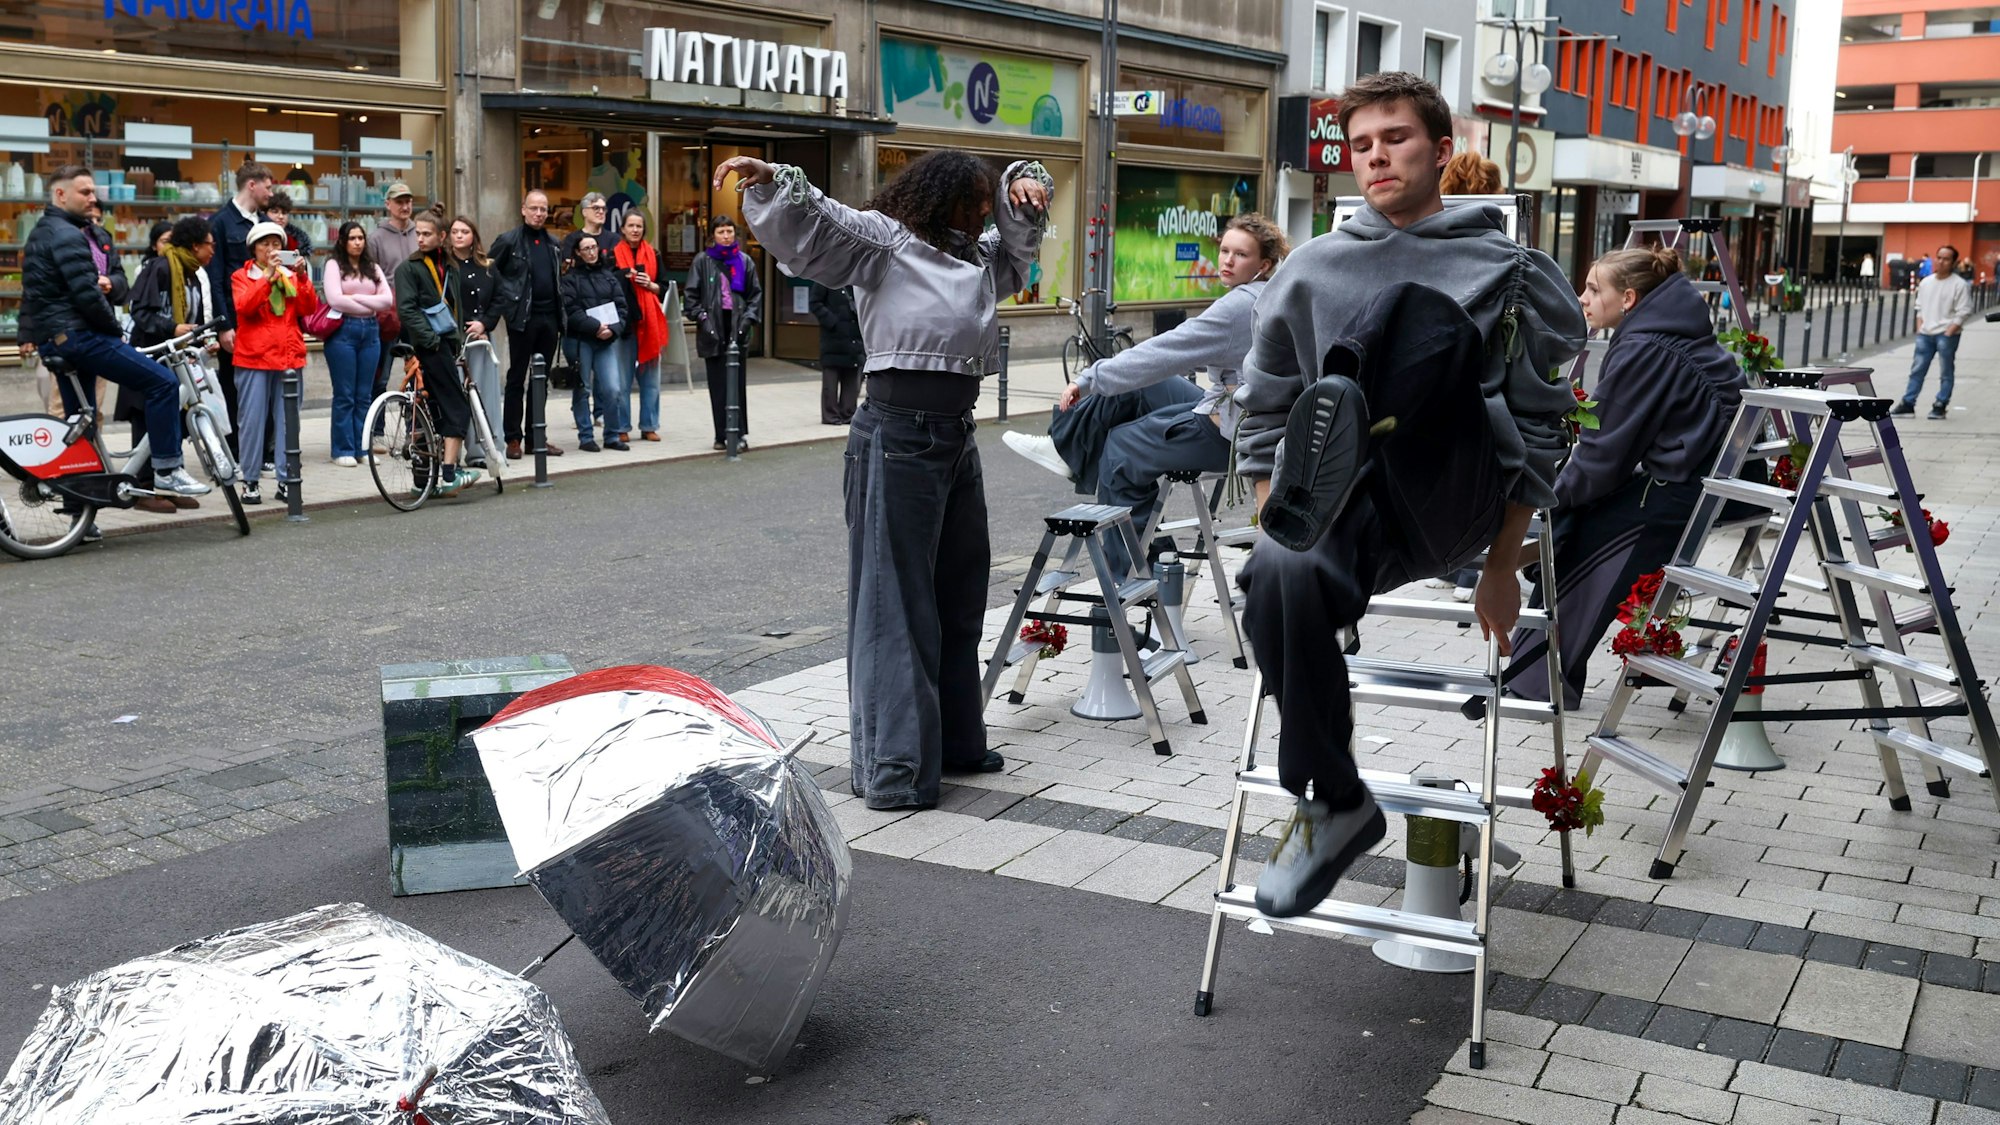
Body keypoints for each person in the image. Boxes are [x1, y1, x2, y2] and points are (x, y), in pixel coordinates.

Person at [1229, 72, 1585, 917]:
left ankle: (1329, 787)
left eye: (1396, 138)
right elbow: (1265, 404)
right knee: (1274, 574)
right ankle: (1337, 799)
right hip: (1340, 499)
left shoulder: (1510, 270)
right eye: (1361, 145)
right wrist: (1279, 515)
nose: (1377, 156)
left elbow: (1541, 430)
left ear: (1440, 149)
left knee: (1403, 317)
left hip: (1452, 498)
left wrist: (1505, 564)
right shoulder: (1311, 268)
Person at [722, 147, 1053, 811]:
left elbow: (1018, 246)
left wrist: (1026, 186)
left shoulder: (978, 257)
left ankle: (958, 742)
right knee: (896, 608)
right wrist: (781, 183)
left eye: (987, 201)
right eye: (974, 199)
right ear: (942, 200)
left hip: (955, 436)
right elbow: (823, 221)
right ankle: (895, 769)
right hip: (898, 435)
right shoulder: (887, 243)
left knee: (959, 598)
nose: (983, 210)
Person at [1503, 245, 1746, 707]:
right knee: (1576, 522)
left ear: (1629, 298)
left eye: (1594, 289)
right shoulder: (1667, 332)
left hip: (1683, 492)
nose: (1582, 298)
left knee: (1575, 540)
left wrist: (1545, 503)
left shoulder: (1645, 346)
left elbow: (1603, 454)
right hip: (1706, 483)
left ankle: (1537, 682)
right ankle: (1537, 673)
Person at [1002, 212, 1289, 577]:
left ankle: (1139, 577)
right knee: (1139, 384)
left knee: (1119, 450)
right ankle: (1064, 448)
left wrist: (1090, 378)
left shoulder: (1240, 306)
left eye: (1241, 255)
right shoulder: (1267, 292)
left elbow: (1166, 350)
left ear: (1263, 264)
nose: (1228, 261)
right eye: (1225, 251)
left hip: (1231, 432)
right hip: (1234, 410)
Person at [21, 165, 210, 501]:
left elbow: (35, 294)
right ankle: (167, 471)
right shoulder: (68, 236)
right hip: (80, 336)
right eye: (85, 192)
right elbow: (88, 297)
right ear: (60, 194)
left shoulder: (41, 233)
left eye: (94, 191)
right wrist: (116, 333)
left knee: (83, 421)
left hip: (57, 340)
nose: (93, 198)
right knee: (163, 383)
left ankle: (79, 506)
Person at [119, 216, 215, 515]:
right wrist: (172, 328)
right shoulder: (159, 267)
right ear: (195, 245)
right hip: (149, 353)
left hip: (174, 356)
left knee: (172, 418)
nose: (214, 251)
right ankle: (142, 488)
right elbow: (141, 312)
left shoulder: (191, 273)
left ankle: (168, 484)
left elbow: (191, 316)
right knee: (145, 418)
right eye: (210, 245)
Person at [230, 220, 320, 505]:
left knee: (287, 423)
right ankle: (251, 480)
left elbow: (308, 308)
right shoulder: (241, 276)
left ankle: (286, 479)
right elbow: (244, 306)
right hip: (253, 357)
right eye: (264, 244)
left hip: (288, 356)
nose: (271, 250)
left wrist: (304, 277)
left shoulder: (290, 276)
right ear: (253, 249)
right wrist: (267, 276)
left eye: (276, 244)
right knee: (252, 422)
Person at [392, 212, 481, 495]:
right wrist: (431, 340)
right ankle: (449, 474)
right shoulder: (408, 268)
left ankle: (425, 480)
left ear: (441, 236)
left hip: (443, 343)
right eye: (418, 233)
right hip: (428, 346)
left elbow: (456, 306)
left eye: (426, 234)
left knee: (431, 410)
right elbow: (406, 309)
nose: (420, 238)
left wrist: (455, 341)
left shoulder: (450, 267)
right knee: (456, 407)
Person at [489, 190, 566, 458]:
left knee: (540, 380)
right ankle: (513, 439)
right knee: (516, 378)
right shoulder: (508, 241)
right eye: (534, 208)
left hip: (549, 319)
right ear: (523, 209)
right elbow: (490, 273)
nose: (538, 213)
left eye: (543, 209)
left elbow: (558, 281)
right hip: (522, 319)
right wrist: (505, 305)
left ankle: (537, 438)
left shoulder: (554, 244)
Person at [207, 161, 273, 457]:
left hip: (268, 321)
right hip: (236, 321)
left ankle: (265, 450)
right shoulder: (221, 222)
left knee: (269, 388)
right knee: (234, 388)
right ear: (252, 185)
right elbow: (216, 278)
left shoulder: (265, 222)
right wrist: (222, 325)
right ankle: (235, 450)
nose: (271, 193)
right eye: (268, 187)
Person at [320, 220, 394, 466]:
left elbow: (386, 300)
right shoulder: (333, 265)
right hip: (344, 331)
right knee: (345, 394)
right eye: (352, 238)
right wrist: (367, 301)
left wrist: (357, 297)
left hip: (371, 332)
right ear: (342, 241)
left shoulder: (371, 267)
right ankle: (343, 449)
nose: (357, 242)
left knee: (364, 394)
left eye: (360, 238)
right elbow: (335, 300)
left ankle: (363, 448)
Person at [686, 214, 763, 450]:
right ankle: (721, 435)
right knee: (718, 386)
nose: (726, 236)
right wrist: (702, 319)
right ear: (713, 236)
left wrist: (748, 321)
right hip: (713, 328)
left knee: (737, 385)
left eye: (730, 231)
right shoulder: (703, 261)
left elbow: (755, 295)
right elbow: (691, 297)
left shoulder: (744, 261)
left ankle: (739, 433)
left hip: (737, 326)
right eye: (721, 232)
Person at [558, 232, 633, 452]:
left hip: (606, 340)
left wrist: (613, 329)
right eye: (586, 249)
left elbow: (622, 308)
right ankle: (586, 436)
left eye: (594, 248)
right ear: (578, 253)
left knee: (612, 388)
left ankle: (611, 434)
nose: (591, 252)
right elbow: (571, 310)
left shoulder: (609, 276)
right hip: (580, 341)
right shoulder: (570, 279)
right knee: (583, 388)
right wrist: (595, 327)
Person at [1894, 244, 1975, 421]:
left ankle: (1940, 404)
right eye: (1939, 257)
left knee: (1946, 371)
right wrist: (1920, 327)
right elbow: (1919, 307)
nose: (1941, 261)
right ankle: (1908, 403)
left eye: (1946, 259)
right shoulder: (1926, 282)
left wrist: (1950, 330)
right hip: (1925, 334)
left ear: (1953, 262)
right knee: (1917, 370)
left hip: (1947, 334)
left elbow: (1965, 310)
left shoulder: (1959, 285)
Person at [449, 215, 504, 460]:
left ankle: (484, 451)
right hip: (453, 340)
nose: (459, 235)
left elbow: (499, 299)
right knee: (456, 397)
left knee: (485, 395)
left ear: (474, 237)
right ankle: (452, 453)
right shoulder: (444, 266)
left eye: (464, 231)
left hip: (480, 340)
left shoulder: (488, 266)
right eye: (454, 231)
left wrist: (484, 323)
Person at [611, 209, 669, 442]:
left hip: (650, 322)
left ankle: (649, 425)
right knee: (622, 380)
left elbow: (665, 287)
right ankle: (622, 426)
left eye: (639, 226)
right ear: (623, 229)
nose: (635, 230)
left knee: (651, 379)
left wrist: (651, 285)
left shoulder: (654, 254)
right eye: (631, 226)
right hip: (624, 324)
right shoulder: (612, 255)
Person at [367, 181, 420, 406]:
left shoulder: (420, 233)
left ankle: (415, 428)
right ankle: (376, 431)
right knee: (381, 375)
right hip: (388, 314)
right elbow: (370, 277)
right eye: (399, 202)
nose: (405, 206)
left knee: (416, 373)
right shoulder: (376, 238)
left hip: (416, 311)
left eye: (408, 201)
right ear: (388, 204)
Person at [809, 280, 863, 425]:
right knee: (830, 382)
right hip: (833, 338)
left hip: (854, 337)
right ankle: (831, 415)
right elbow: (815, 303)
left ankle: (848, 413)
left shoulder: (856, 280)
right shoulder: (824, 278)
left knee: (852, 381)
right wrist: (832, 322)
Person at [561, 191, 611, 264]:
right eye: (596, 208)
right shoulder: (571, 240)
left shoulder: (615, 239)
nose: (601, 212)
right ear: (584, 212)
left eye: (603, 209)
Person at [265, 190, 314, 260]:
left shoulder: (297, 240)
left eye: (284, 213)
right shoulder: (257, 237)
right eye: (275, 212)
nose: (281, 216)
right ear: (264, 213)